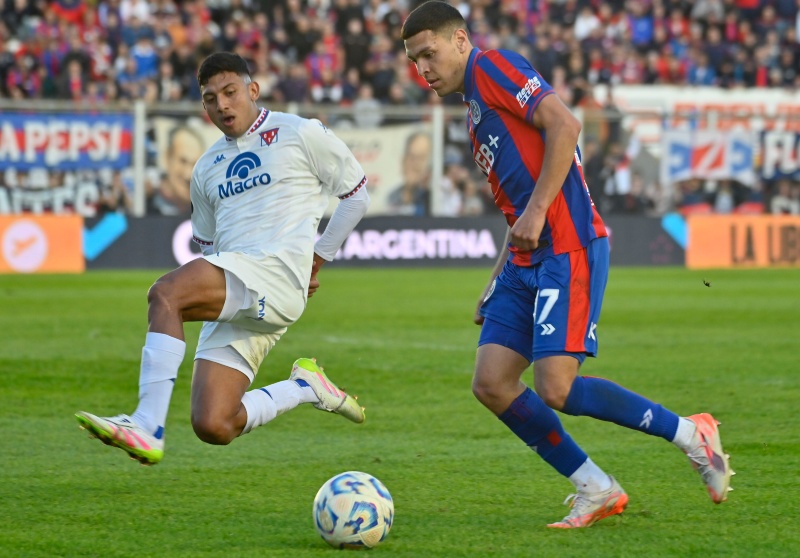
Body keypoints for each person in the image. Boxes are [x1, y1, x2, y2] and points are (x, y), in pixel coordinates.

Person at [402, 2, 732, 529]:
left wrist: (537, 213)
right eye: (414, 60)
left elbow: (566, 124)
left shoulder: (494, 68)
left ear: (460, 40)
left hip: (567, 244)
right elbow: (516, 206)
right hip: (524, 258)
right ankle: (595, 487)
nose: (423, 68)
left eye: (429, 53)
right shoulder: (474, 109)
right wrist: (495, 279)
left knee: (556, 388)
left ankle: (693, 435)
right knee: (492, 383)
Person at [75, 52, 370, 465]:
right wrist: (216, 282)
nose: (222, 105)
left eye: (231, 92)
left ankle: (146, 423)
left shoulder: (300, 132)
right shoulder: (206, 169)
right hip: (240, 279)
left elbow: (356, 195)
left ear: (253, 90)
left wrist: (317, 260)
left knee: (166, 294)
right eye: (211, 99)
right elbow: (208, 245)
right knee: (214, 423)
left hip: (276, 274)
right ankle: (304, 387)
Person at [147, 124, 206, 216]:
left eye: (195, 165)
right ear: (167, 157)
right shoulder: (145, 203)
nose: (188, 174)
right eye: (183, 161)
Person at [386, 131, 432, 216]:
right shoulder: (392, 197)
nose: (415, 164)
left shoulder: (431, 197)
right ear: (403, 160)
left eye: (421, 158)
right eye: (411, 156)